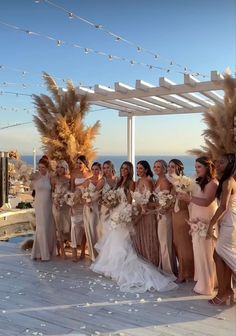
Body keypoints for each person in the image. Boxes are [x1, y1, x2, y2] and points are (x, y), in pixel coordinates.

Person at [91, 161, 177, 293]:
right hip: (117, 211)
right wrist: (111, 202)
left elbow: (133, 200)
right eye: (122, 168)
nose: (124, 170)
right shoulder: (120, 181)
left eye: (127, 168)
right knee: (113, 240)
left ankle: (122, 267)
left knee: (123, 242)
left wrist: (127, 213)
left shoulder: (132, 182)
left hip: (127, 212)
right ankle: (111, 266)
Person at [179, 157, 218, 295]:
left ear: (207, 167)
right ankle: (204, 280)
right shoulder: (198, 182)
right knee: (199, 253)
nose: (196, 169)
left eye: (199, 167)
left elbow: (207, 201)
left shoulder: (213, 183)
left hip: (205, 221)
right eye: (195, 167)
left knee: (206, 254)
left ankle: (207, 285)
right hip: (196, 221)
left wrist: (189, 198)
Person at [207, 153, 236, 305]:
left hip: (229, 224)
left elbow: (224, 206)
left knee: (220, 256)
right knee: (223, 257)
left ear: (230, 163)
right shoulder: (227, 180)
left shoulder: (228, 182)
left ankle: (223, 293)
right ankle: (227, 291)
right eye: (217, 162)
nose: (217, 165)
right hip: (228, 222)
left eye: (222, 163)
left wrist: (211, 223)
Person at [168, 159, 194, 283]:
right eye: (169, 166)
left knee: (184, 244)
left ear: (179, 168)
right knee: (176, 243)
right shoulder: (171, 182)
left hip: (183, 215)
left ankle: (184, 274)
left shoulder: (185, 181)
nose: (169, 169)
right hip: (174, 215)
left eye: (172, 166)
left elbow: (189, 199)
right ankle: (183, 271)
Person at [132, 160, 159, 267]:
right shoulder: (138, 181)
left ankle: (151, 263)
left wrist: (141, 212)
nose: (138, 170)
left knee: (148, 239)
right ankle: (142, 262)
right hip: (138, 212)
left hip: (146, 214)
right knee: (139, 239)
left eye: (141, 168)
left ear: (146, 170)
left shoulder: (148, 181)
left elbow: (148, 200)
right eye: (137, 168)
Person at [31, 157, 57, 261]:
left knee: (48, 227)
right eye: (39, 167)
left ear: (47, 167)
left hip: (48, 204)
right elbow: (32, 188)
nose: (41, 169)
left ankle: (48, 251)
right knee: (41, 227)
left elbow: (54, 190)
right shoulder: (35, 176)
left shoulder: (50, 176)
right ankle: (41, 253)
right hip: (39, 204)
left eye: (43, 167)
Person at [154, 160, 176, 277]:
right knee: (162, 242)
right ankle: (165, 267)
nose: (156, 168)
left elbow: (167, 201)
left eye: (159, 167)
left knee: (165, 243)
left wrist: (161, 208)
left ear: (164, 168)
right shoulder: (158, 180)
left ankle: (169, 272)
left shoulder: (165, 181)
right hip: (159, 214)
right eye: (155, 167)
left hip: (165, 216)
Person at [70, 155, 91, 262]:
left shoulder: (90, 174)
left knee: (84, 229)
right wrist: (71, 203)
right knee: (74, 228)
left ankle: (83, 251)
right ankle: (74, 253)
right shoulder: (73, 173)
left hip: (85, 204)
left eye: (80, 163)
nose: (78, 165)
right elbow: (72, 189)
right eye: (77, 163)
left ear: (85, 163)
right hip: (75, 204)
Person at [82, 162, 102, 262]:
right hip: (89, 208)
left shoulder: (103, 181)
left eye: (97, 169)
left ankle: (101, 254)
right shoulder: (87, 181)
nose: (95, 171)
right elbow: (83, 195)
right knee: (91, 230)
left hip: (100, 208)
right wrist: (86, 201)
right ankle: (93, 255)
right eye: (93, 169)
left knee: (99, 231)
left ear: (100, 170)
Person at [51, 160, 71, 258]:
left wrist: (65, 199)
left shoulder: (69, 179)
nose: (59, 169)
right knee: (58, 227)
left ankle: (65, 245)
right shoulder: (54, 179)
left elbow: (71, 192)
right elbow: (51, 192)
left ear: (65, 168)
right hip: (56, 206)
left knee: (66, 227)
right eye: (58, 167)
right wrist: (55, 200)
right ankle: (61, 251)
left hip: (66, 206)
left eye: (61, 167)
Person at [96, 160, 118, 241]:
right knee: (105, 230)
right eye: (104, 168)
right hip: (105, 209)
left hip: (116, 209)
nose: (106, 170)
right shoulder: (102, 181)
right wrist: (104, 203)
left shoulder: (117, 179)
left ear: (112, 168)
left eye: (108, 167)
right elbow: (96, 196)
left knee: (115, 230)